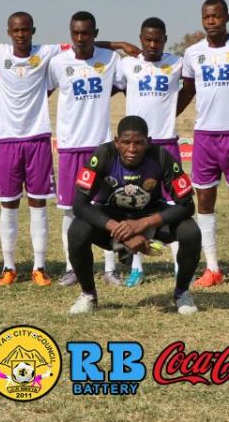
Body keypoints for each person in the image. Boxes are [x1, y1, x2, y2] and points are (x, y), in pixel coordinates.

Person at [0, 13, 135, 287]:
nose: (21, 34)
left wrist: (118, 44)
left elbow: (82, 42)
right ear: (9, 32)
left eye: (25, 30)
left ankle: (40, 268)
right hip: (7, 140)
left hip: (38, 139)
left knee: (40, 204)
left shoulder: (46, 53)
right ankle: (9, 267)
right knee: (9, 205)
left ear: (33, 31)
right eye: (16, 30)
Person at [65, 116, 201, 315]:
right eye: (126, 142)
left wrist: (144, 224)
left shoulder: (161, 156)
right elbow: (79, 204)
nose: (132, 149)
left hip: (149, 216)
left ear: (149, 142)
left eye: (139, 143)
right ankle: (88, 295)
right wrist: (120, 230)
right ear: (116, 141)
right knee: (77, 230)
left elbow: (187, 205)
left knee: (191, 231)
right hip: (112, 218)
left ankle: (182, 293)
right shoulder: (103, 155)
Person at [179, 0, 229, 288]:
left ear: (227, 17)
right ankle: (212, 267)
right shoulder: (192, 53)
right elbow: (187, 90)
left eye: (216, 16)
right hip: (204, 136)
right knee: (204, 201)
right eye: (206, 17)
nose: (211, 21)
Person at [49, 11, 124, 287]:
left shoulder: (110, 59)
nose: (80, 38)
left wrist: (117, 45)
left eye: (86, 33)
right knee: (70, 210)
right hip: (70, 147)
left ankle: (110, 269)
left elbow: (120, 86)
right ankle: (72, 267)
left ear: (95, 34)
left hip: (100, 148)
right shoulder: (58, 63)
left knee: (105, 207)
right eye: (76, 33)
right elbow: (42, 91)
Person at [113, 17, 187, 286]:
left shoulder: (177, 63)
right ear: (141, 39)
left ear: (165, 40)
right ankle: (137, 267)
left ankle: (180, 265)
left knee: (176, 205)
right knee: (134, 204)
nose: (152, 44)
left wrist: (172, 111)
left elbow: (190, 88)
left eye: (157, 40)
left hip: (166, 144)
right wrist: (118, 44)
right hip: (137, 146)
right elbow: (91, 49)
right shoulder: (127, 64)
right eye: (147, 40)